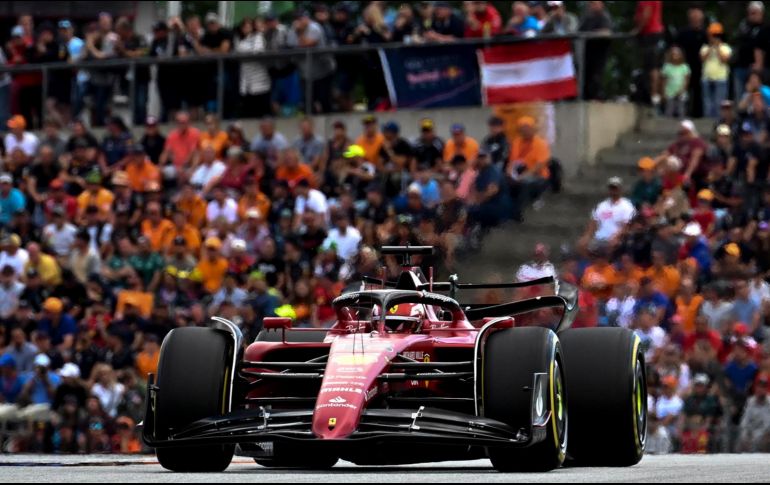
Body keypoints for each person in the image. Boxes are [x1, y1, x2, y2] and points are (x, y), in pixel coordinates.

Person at [582, 177, 636, 246]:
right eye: (611, 188)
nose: (613, 191)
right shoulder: (601, 205)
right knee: (581, 245)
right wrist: (587, 236)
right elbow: (593, 222)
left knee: (610, 245)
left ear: (620, 189)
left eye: (615, 188)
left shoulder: (627, 205)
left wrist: (616, 236)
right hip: (599, 238)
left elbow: (627, 226)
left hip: (617, 239)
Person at [733, 2, 769, 101]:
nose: (751, 15)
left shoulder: (765, 29)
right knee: (740, 97)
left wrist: (759, 65)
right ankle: (741, 115)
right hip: (740, 66)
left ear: (761, 13)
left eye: (754, 13)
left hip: (756, 70)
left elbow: (761, 48)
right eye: (750, 13)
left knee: (756, 96)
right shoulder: (743, 27)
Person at [235, 17, 271, 119]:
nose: (246, 28)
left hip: (259, 79)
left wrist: (245, 54)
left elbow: (257, 51)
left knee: (261, 111)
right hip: (246, 79)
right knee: (248, 111)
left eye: (249, 26)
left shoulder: (258, 36)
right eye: (244, 26)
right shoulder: (240, 40)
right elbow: (238, 53)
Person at [634, 0, 665, 109]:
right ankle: (653, 95)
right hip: (654, 33)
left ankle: (652, 96)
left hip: (650, 33)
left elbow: (646, 14)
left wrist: (638, 30)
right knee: (653, 66)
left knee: (652, 67)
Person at [700, 23, 732, 119]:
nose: (714, 38)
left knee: (719, 101)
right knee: (707, 101)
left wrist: (717, 48)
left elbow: (724, 60)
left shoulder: (725, 47)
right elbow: (702, 59)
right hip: (706, 78)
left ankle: (718, 121)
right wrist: (711, 47)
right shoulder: (705, 47)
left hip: (721, 78)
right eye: (712, 35)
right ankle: (707, 121)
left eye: (716, 36)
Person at [661, 46, 691, 118]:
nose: (675, 56)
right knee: (669, 109)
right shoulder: (667, 67)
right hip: (669, 92)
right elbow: (664, 81)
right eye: (674, 54)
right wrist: (663, 92)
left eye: (677, 54)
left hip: (681, 92)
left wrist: (682, 90)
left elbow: (687, 80)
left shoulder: (684, 67)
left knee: (681, 109)